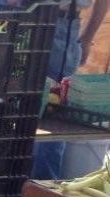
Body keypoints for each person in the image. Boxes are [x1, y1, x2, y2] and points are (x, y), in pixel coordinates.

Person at [31, 0, 109, 179]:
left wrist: (87, 38)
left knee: (53, 116)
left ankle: (43, 192)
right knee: (18, 109)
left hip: (60, 25)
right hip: (29, 18)